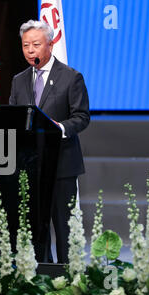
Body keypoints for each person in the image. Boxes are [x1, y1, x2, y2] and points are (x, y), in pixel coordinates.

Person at [9, 20, 90, 263]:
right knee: (36, 227)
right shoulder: (18, 80)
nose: (30, 50)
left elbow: (82, 116)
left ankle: (66, 277)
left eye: (35, 44)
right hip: (31, 166)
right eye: (25, 45)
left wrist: (60, 128)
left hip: (62, 164)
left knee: (63, 227)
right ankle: (42, 275)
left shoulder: (71, 77)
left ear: (51, 45)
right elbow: (14, 115)